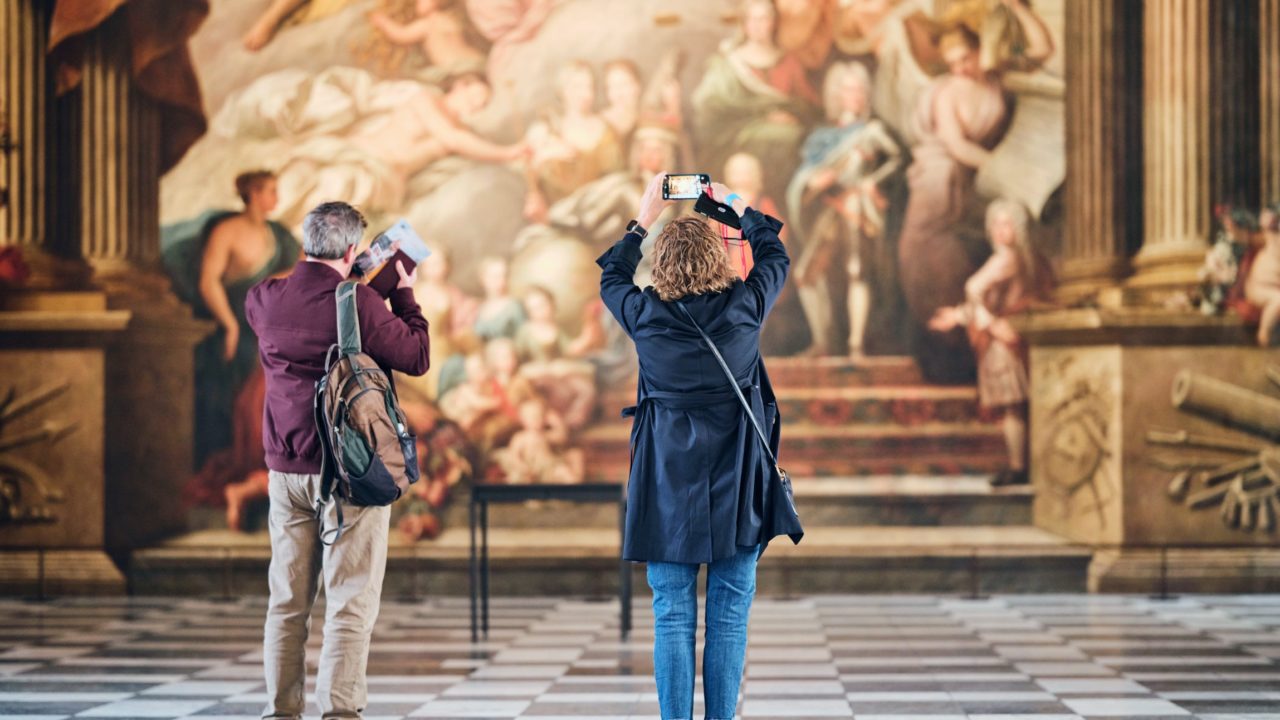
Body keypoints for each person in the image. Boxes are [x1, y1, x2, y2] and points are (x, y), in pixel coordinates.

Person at [598, 173, 800, 720]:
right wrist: (735, 204)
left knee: (672, 615)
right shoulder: (745, 308)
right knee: (729, 617)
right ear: (718, 261)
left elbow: (612, 275)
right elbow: (775, 254)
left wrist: (643, 217)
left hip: (666, 482)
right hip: (739, 479)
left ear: (660, 267)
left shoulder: (644, 316)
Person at [245, 201, 430, 719]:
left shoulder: (264, 298)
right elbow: (416, 355)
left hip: (286, 473)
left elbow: (308, 313)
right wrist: (403, 291)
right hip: (350, 473)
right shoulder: (360, 304)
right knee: (349, 603)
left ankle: (281, 712)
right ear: (352, 250)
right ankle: (340, 713)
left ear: (306, 243)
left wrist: (356, 286)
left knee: (287, 605)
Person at [162, 170, 301, 469]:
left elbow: (298, 270)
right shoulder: (227, 230)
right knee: (230, 395)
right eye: (271, 191)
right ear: (253, 194)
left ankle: (264, 463)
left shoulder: (278, 235)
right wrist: (229, 325)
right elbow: (208, 281)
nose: (276, 198)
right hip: (234, 325)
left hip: (265, 326)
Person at [927, 199, 1052, 486]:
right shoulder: (1010, 258)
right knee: (1013, 409)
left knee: (1013, 408)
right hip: (1000, 337)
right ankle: (1019, 465)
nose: (999, 229)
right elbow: (985, 303)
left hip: (1003, 342)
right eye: (995, 223)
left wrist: (989, 323)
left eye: (1006, 223)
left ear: (1018, 228)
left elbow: (976, 290)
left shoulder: (1009, 258)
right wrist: (959, 316)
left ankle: (1019, 468)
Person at [787, 61, 904, 357]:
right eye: (848, 89)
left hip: (857, 206)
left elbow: (897, 160)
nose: (854, 96)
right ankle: (823, 341)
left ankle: (856, 344)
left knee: (857, 271)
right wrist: (814, 182)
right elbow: (808, 178)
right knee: (806, 273)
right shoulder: (822, 137)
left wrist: (873, 182)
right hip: (832, 207)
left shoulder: (872, 131)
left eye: (859, 90)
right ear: (837, 94)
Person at [691, 0, 819, 204]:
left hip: (785, 133)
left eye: (764, 19)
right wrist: (764, 115)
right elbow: (710, 104)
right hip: (737, 133)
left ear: (773, 23)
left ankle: (780, 205)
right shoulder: (729, 64)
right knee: (783, 136)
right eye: (753, 19)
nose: (758, 25)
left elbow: (806, 104)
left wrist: (791, 114)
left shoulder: (788, 61)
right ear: (745, 24)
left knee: (793, 136)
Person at [368, 0, 488, 70]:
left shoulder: (428, 24)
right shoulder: (448, 19)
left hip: (452, 68)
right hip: (472, 60)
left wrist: (382, 21)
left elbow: (401, 34)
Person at [1246, 204, 1280, 346]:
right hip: (1259, 288)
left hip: (1274, 286)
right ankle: (1264, 334)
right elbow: (1245, 238)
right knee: (1278, 300)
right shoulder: (1264, 238)